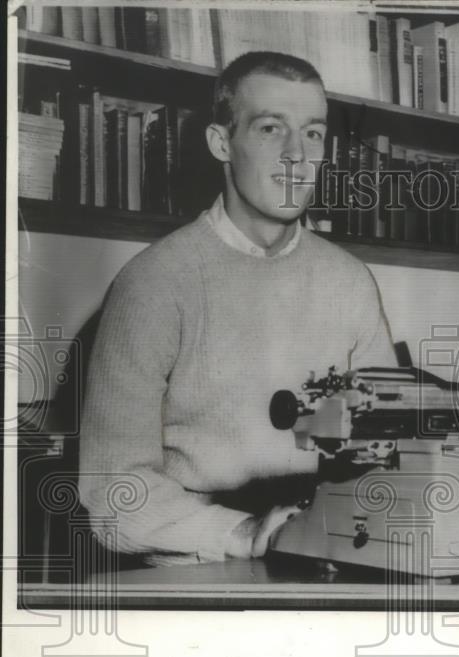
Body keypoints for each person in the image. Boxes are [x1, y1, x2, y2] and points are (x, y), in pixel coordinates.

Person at [79, 52, 395, 565]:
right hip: (200, 562)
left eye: (313, 133)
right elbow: (114, 497)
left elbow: (389, 450)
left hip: (329, 548)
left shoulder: (350, 281)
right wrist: (246, 532)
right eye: (271, 128)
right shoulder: (152, 283)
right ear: (220, 142)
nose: (297, 155)